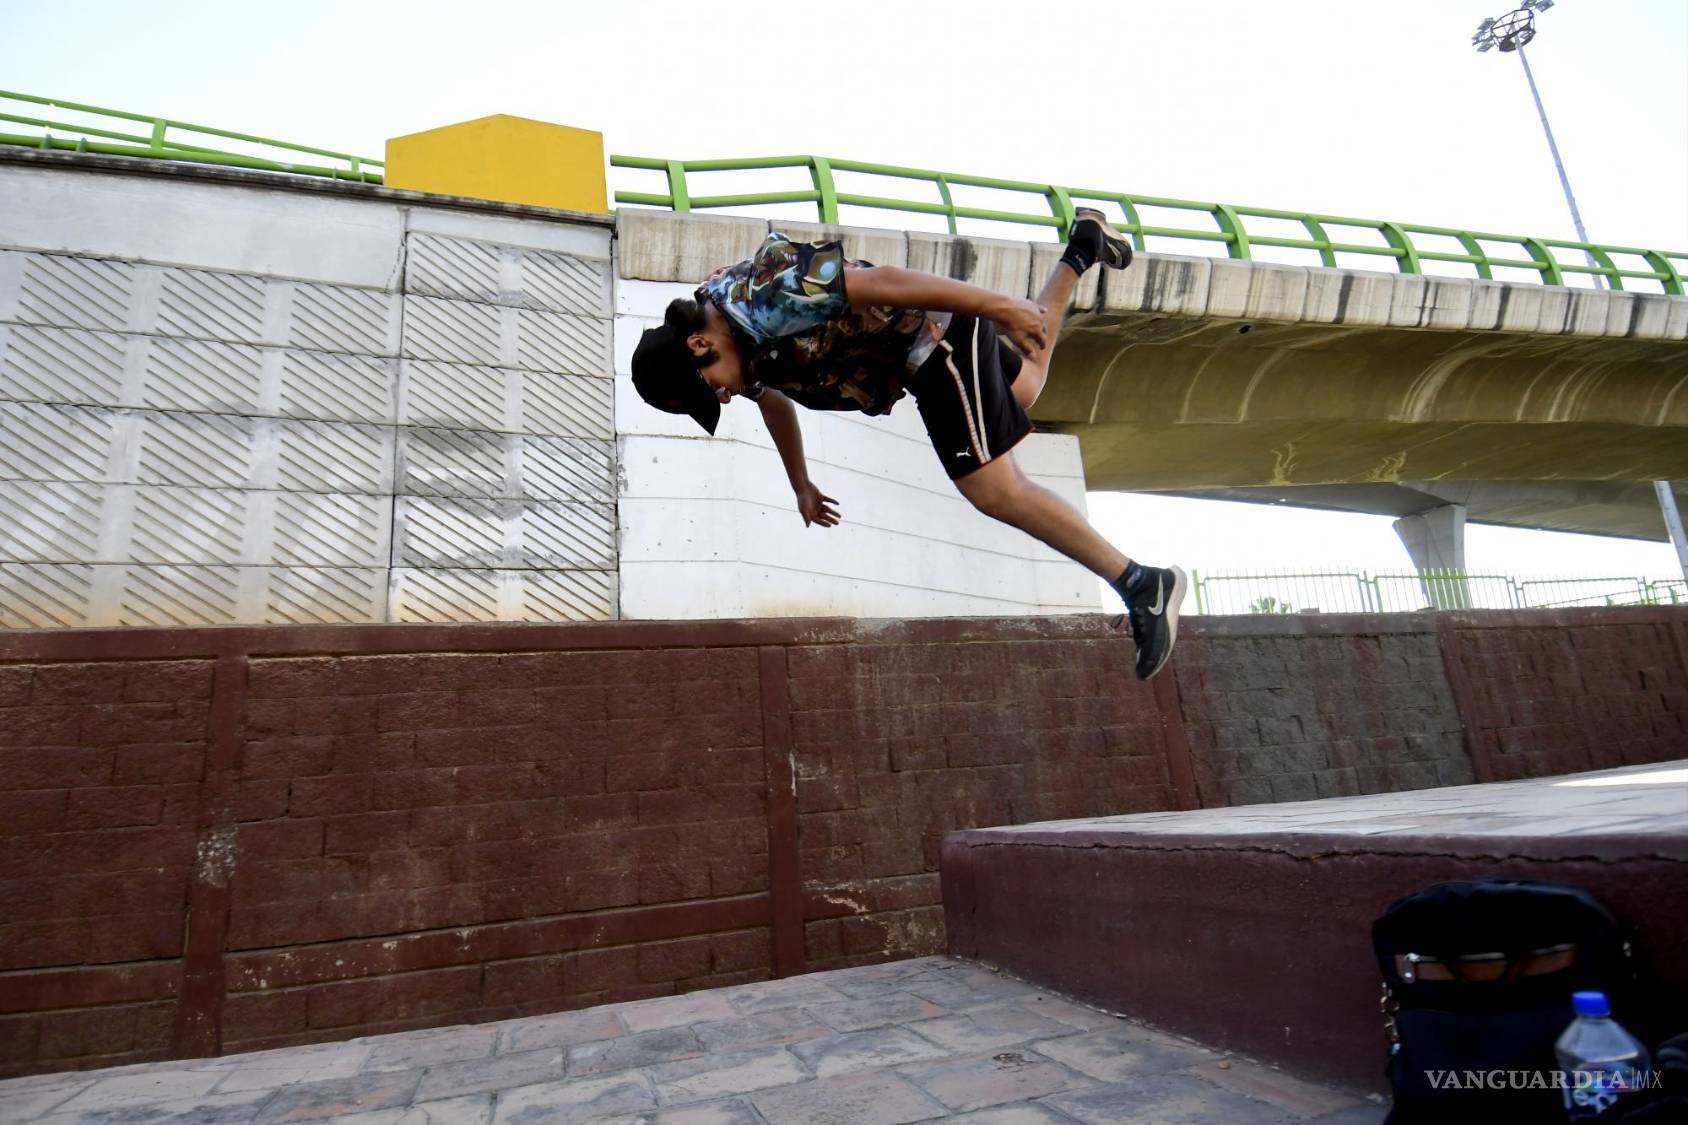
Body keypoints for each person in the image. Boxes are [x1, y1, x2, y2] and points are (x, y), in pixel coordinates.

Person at [630, 210, 1187, 681]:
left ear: (699, 345)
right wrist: (800, 485)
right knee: (1027, 385)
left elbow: (888, 283)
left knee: (992, 488)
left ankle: (1142, 584)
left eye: (711, 390)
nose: (725, 398)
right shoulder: (732, 341)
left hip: (933, 338)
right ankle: (1082, 249)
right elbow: (772, 401)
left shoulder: (771, 296)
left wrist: (998, 306)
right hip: (914, 357)